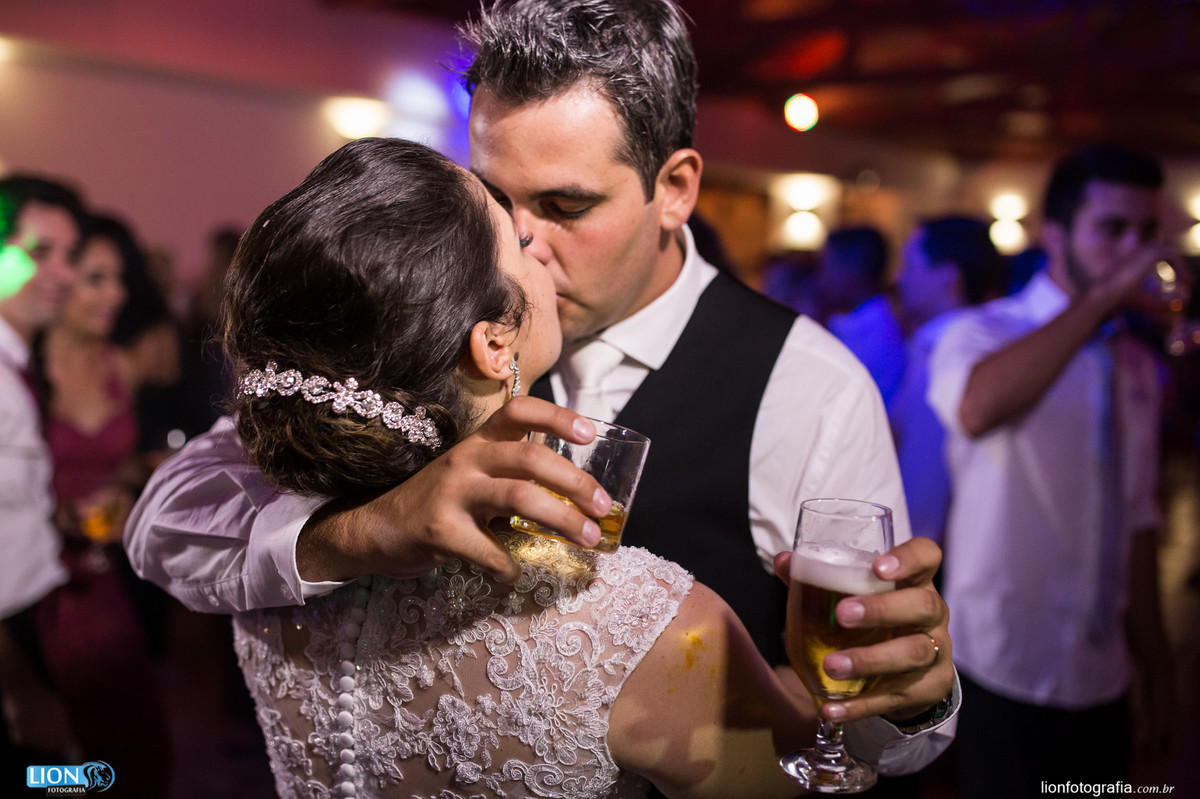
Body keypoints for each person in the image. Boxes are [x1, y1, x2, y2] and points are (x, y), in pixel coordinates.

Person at [126, 0, 956, 776]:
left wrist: (907, 709)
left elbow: (882, 723)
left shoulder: (810, 388)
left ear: (675, 190)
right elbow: (165, 522)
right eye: (496, 197)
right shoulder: (433, 324)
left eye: (565, 203)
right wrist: (360, 530)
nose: (526, 239)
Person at [228, 135, 832, 798]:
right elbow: (798, 779)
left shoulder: (257, 573)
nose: (540, 246)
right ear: (493, 343)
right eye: (517, 242)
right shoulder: (629, 624)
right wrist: (814, 683)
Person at [926, 146, 1174, 796]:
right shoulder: (979, 331)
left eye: (1145, 232)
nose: (1134, 250)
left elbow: (1139, 522)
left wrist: (1157, 664)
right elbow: (978, 408)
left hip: (1104, 673)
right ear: (1055, 234)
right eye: (1112, 228)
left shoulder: (1137, 366)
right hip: (1001, 662)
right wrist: (1103, 301)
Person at [28, 213, 171, 795]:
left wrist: (142, 471)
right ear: (58, 285)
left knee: (136, 747)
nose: (117, 292)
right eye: (97, 278)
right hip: (34, 586)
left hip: (102, 580)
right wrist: (57, 515)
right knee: (53, 754)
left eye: (119, 278)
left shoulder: (120, 367)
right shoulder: (22, 373)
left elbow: (113, 466)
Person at [0, 175, 84, 767]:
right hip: (8, 648)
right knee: (68, 780)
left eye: (69, 255)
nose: (61, 273)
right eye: (38, 252)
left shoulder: (19, 363)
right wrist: (19, 685)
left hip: (32, 623)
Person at [890, 216, 1006, 545]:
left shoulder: (949, 351)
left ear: (947, 277)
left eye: (910, 264)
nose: (900, 277)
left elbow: (927, 476)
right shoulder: (936, 343)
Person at [816, 226, 907, 407]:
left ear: (853, 268)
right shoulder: (856, 322)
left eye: (827, 265)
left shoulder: (875, 336)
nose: (821, 277)